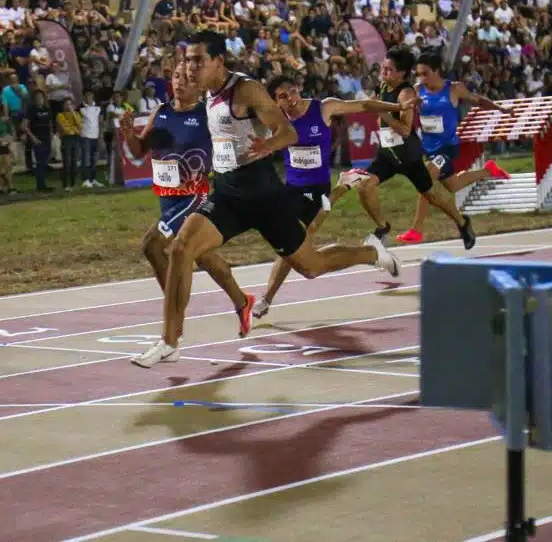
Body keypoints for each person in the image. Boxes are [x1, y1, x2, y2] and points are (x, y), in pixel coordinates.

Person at [132, 30, 400, 368]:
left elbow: (288, 132)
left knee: (310, 266)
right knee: (181, 249)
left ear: (218, 61)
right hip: (229, 193)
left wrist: (268, 146)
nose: (190, 68)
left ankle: (369, 251)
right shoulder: (206, 97)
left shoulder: (245, 90)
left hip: (265, 197)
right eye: (187, 60)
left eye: (198, 61)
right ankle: (170, 341)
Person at [252, 74, 416, 319]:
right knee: (291, 251)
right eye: (283, 97)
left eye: (293, 91)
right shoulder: (276, 120)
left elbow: (365, 105)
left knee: (294, 250)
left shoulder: (323, 108)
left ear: (299, 89)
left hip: (316, 190)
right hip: (292, 190)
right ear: (276, 103)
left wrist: (398, 107)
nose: (291, 99)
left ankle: (266, 299)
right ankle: (370, 250)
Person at [120, 61, 255, 354]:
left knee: (153, 245)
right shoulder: (161, 112)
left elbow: (231, 143)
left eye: (188, 79)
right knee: (203, 256)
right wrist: (130, 133)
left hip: (194, 196)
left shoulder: (206, 115)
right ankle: (243, 301)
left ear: (200, 85)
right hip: (168, 198)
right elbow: (139, 151)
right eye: (176, 76)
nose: (180, 82)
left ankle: (174, 326)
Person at [334, 47, 479, 254]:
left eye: (389, 69)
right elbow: (376, 109)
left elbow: (404, 129)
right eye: (383, 68)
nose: (383, 72)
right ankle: (383, 227)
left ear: (401, 73)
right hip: (387, 154)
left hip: (408, 156)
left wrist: (382, 113)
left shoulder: (406, 93)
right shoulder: (383, 85)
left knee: (433, 197)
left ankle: (462, 222)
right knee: (365, 188)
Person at [395, 52, 513, 244]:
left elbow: (478, 100)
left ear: (436, 71)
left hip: (448, 147)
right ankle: (488, 171)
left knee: (425, 177)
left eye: (425, 73)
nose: (421, 78)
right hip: (429, 149)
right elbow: (402, 105)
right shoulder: (417, 90)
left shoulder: (454, 89)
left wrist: (500, 109)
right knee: (453, 185)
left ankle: (417, 229)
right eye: (418, 74)